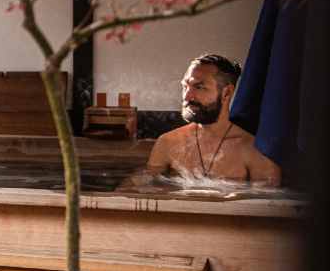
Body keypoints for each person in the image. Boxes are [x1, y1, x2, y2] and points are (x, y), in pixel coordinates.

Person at [120, 53, 282, 189]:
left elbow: (268, 207)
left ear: (226, 93)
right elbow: (139, 186)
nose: (187, 96)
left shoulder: (254, 151)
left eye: (199, 87)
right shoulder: (168, 143)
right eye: (185, 86)